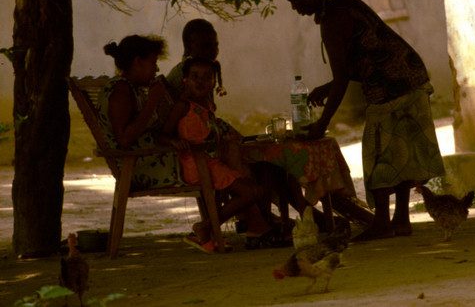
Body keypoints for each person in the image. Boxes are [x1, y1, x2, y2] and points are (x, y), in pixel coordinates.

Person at [280, 0, 446, 242]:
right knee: (402, 151)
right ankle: (401, 220)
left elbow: (343, 75)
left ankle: (383, 223)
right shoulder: (344, 4)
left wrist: (322, 123)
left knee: (378, 154)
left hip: (391, 87)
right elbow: (364, 58)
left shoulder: (332, 19)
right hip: (411, 76)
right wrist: (330, 85)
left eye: (296, 2)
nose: (296, 9)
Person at [167, 18, 327, 231]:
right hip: (199, 154)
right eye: (206, 45)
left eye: (215, 45)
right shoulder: (186, 75)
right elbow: (183, 122)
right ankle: (259, 218)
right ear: (188, 47)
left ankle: (297, 213)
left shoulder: (204, 71)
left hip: (212, 140)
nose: (213, 50)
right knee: (250, 158)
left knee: (268, 161)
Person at [159, 56, 289, 251]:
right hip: (197, 165)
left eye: (207, 77)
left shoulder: (209, 106)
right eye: (195, 76)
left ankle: (208, 227)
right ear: (184, 79)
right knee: (251, 191)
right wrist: (174, 141)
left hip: (213, 163)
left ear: (214, 83)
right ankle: (206, 227)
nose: (200, 81)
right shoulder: (183, 107)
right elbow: (161, 134)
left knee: (256, 189)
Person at [99, 35, 180, 190]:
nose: (156, 69)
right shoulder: (121, 89)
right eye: (153, 62)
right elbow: (124, 139)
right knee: (213, 162)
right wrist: (152, 102)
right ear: (138, 61)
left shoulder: (132, 88)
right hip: (141, 168)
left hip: (148, 161)